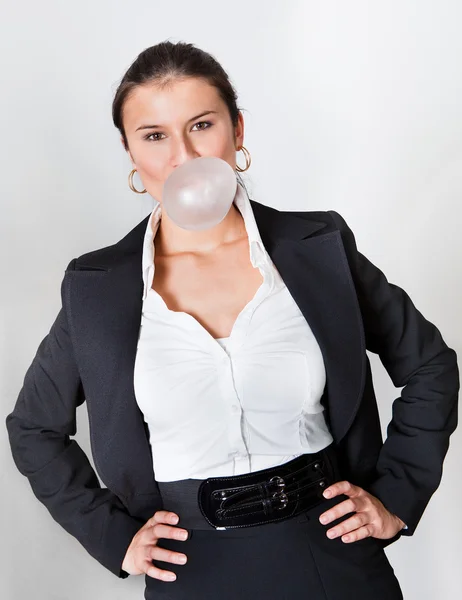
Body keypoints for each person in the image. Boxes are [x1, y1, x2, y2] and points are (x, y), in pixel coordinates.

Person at [6, 40, 459, 600]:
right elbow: (33, 429)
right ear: (130, 152)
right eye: (154, 136)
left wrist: (397, 495)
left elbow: (431, 367)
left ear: (237, 131)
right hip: (191, 568)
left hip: (332, 556)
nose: (184, 156)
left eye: (201, 125)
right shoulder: (95, 288)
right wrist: (112, 536)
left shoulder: (318, 247)